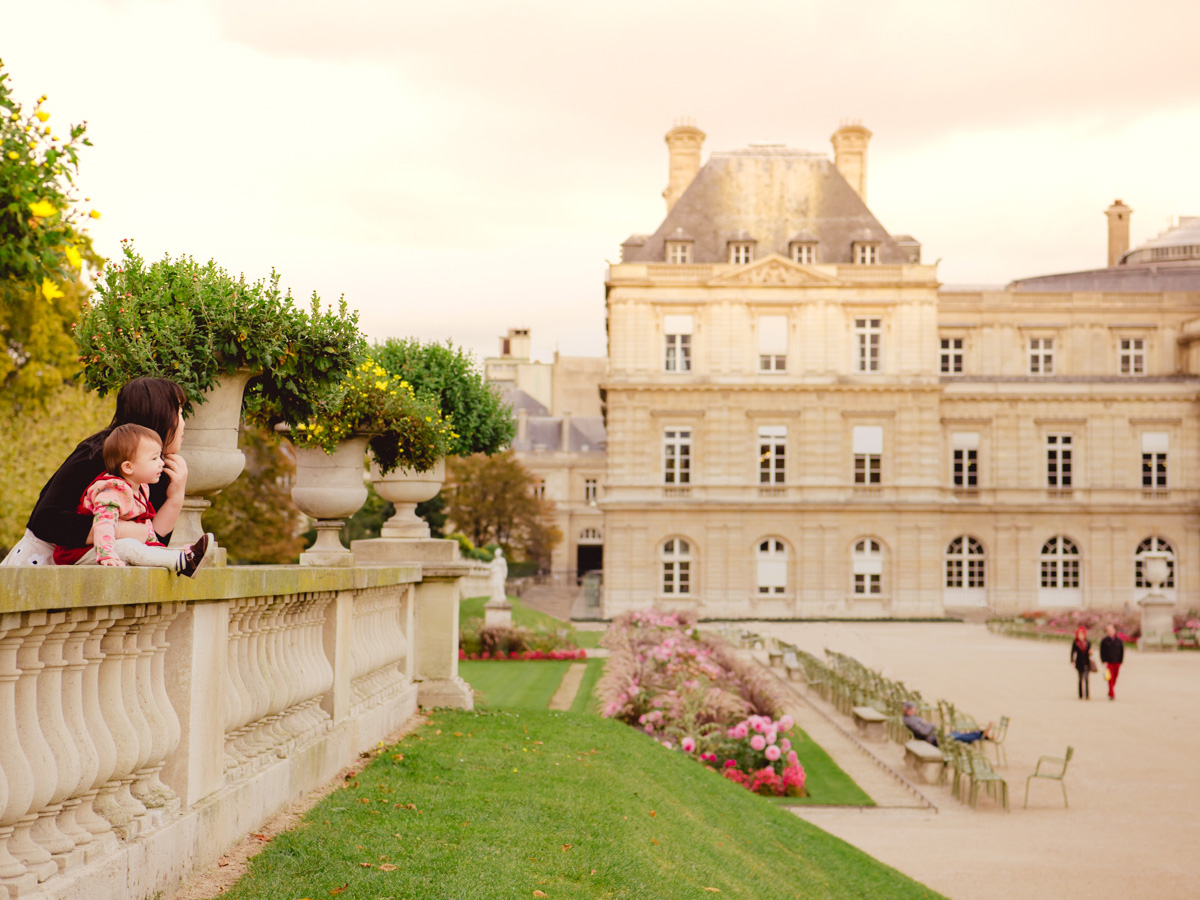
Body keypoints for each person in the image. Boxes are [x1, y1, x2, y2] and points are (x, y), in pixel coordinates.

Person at [1, 377, 189, 567]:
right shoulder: (99, 453)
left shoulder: (155, 471)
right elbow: (46, 521)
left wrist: (176, 497)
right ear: (160, 416)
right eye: (180, 413)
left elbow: (152, 545)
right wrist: (121, 530)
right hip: (39, 568)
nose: (184, 422)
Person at [54, 423, 211, 576]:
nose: (161, 463)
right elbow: (104, 524)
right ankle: (184, 562)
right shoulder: (112, 490)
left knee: (136, 547)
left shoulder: (140, 488)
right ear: (128, 467)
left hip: (104, 547)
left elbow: (145, 522)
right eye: (154, 458)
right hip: (80, 552)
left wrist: (155, 546)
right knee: (129, 547)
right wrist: (106, 554)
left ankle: (177, 558)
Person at [901, 702, 995, 747]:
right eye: (914, 708)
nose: (915, 709)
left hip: (933, 737)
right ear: (910, 710)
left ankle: (980, 734)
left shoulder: (910, 719)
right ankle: (981, 735)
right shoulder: (911, 720)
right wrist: (931, 726)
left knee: (957, 733)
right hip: (931, 740)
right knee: (957, 737)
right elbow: (923, 732)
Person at [1099, 623, 1124, 701]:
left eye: (1110, 630)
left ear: (1114, 630)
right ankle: (1112, 694)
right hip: (1108, 662)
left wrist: (1120, 661)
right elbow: (1101, 652)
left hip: (1117, 662)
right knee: (1110, 678)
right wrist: (1103, 661)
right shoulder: (1104, 641)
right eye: (1107, 630)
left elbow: (1122, 652)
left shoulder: (1119, 641)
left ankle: (1110, 691)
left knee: (1115, 678)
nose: (1109, 631)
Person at [1070, 626, 1093, 700]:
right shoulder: (1075, 643)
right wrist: (1072, 661)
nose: (1080, 636)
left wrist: (1090, 653)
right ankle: (1080, 695)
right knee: (1080, 679)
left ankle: (1087, 695)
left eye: (1081, 634)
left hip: (1086, 662)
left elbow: (1090, 652)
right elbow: (1072, 652)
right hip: (1079, 662)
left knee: (1086, 678)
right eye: (1079, 634)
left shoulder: (1088, 642)